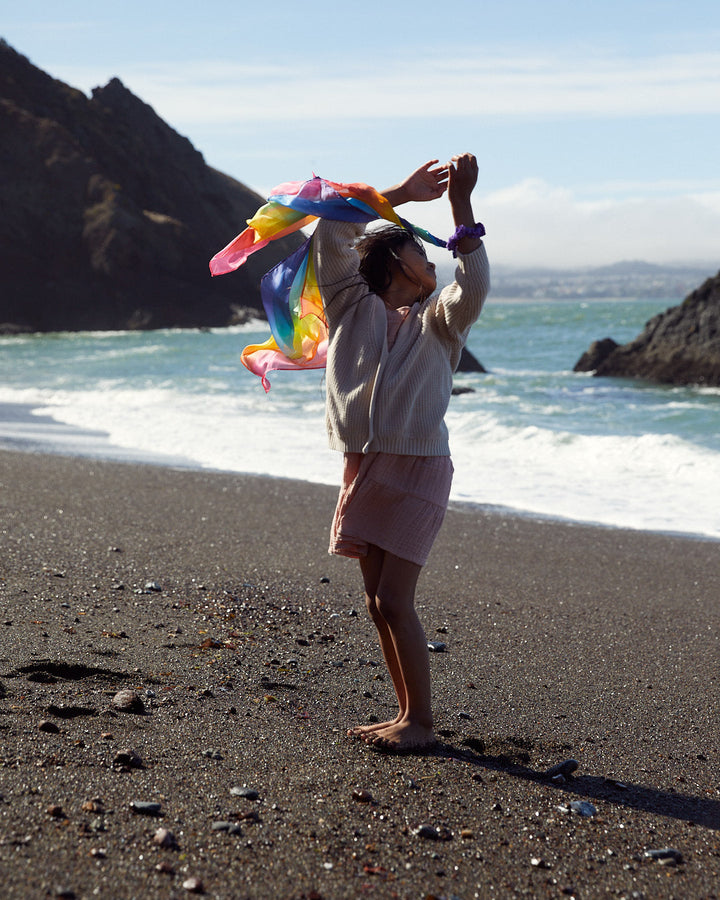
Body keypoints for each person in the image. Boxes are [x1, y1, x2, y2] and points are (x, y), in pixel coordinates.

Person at [313, 154, 490, 751]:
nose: (431, 258)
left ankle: (421, 723)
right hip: (364, 464)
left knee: (394, 597)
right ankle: (405, 713)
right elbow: (334, 229)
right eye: (421, 251)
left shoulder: (441, 320)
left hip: (420, 466)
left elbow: (476, 281)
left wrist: (459, 207)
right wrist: (401, 197)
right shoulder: (347, 302)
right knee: (374, 601)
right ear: (394, 260)